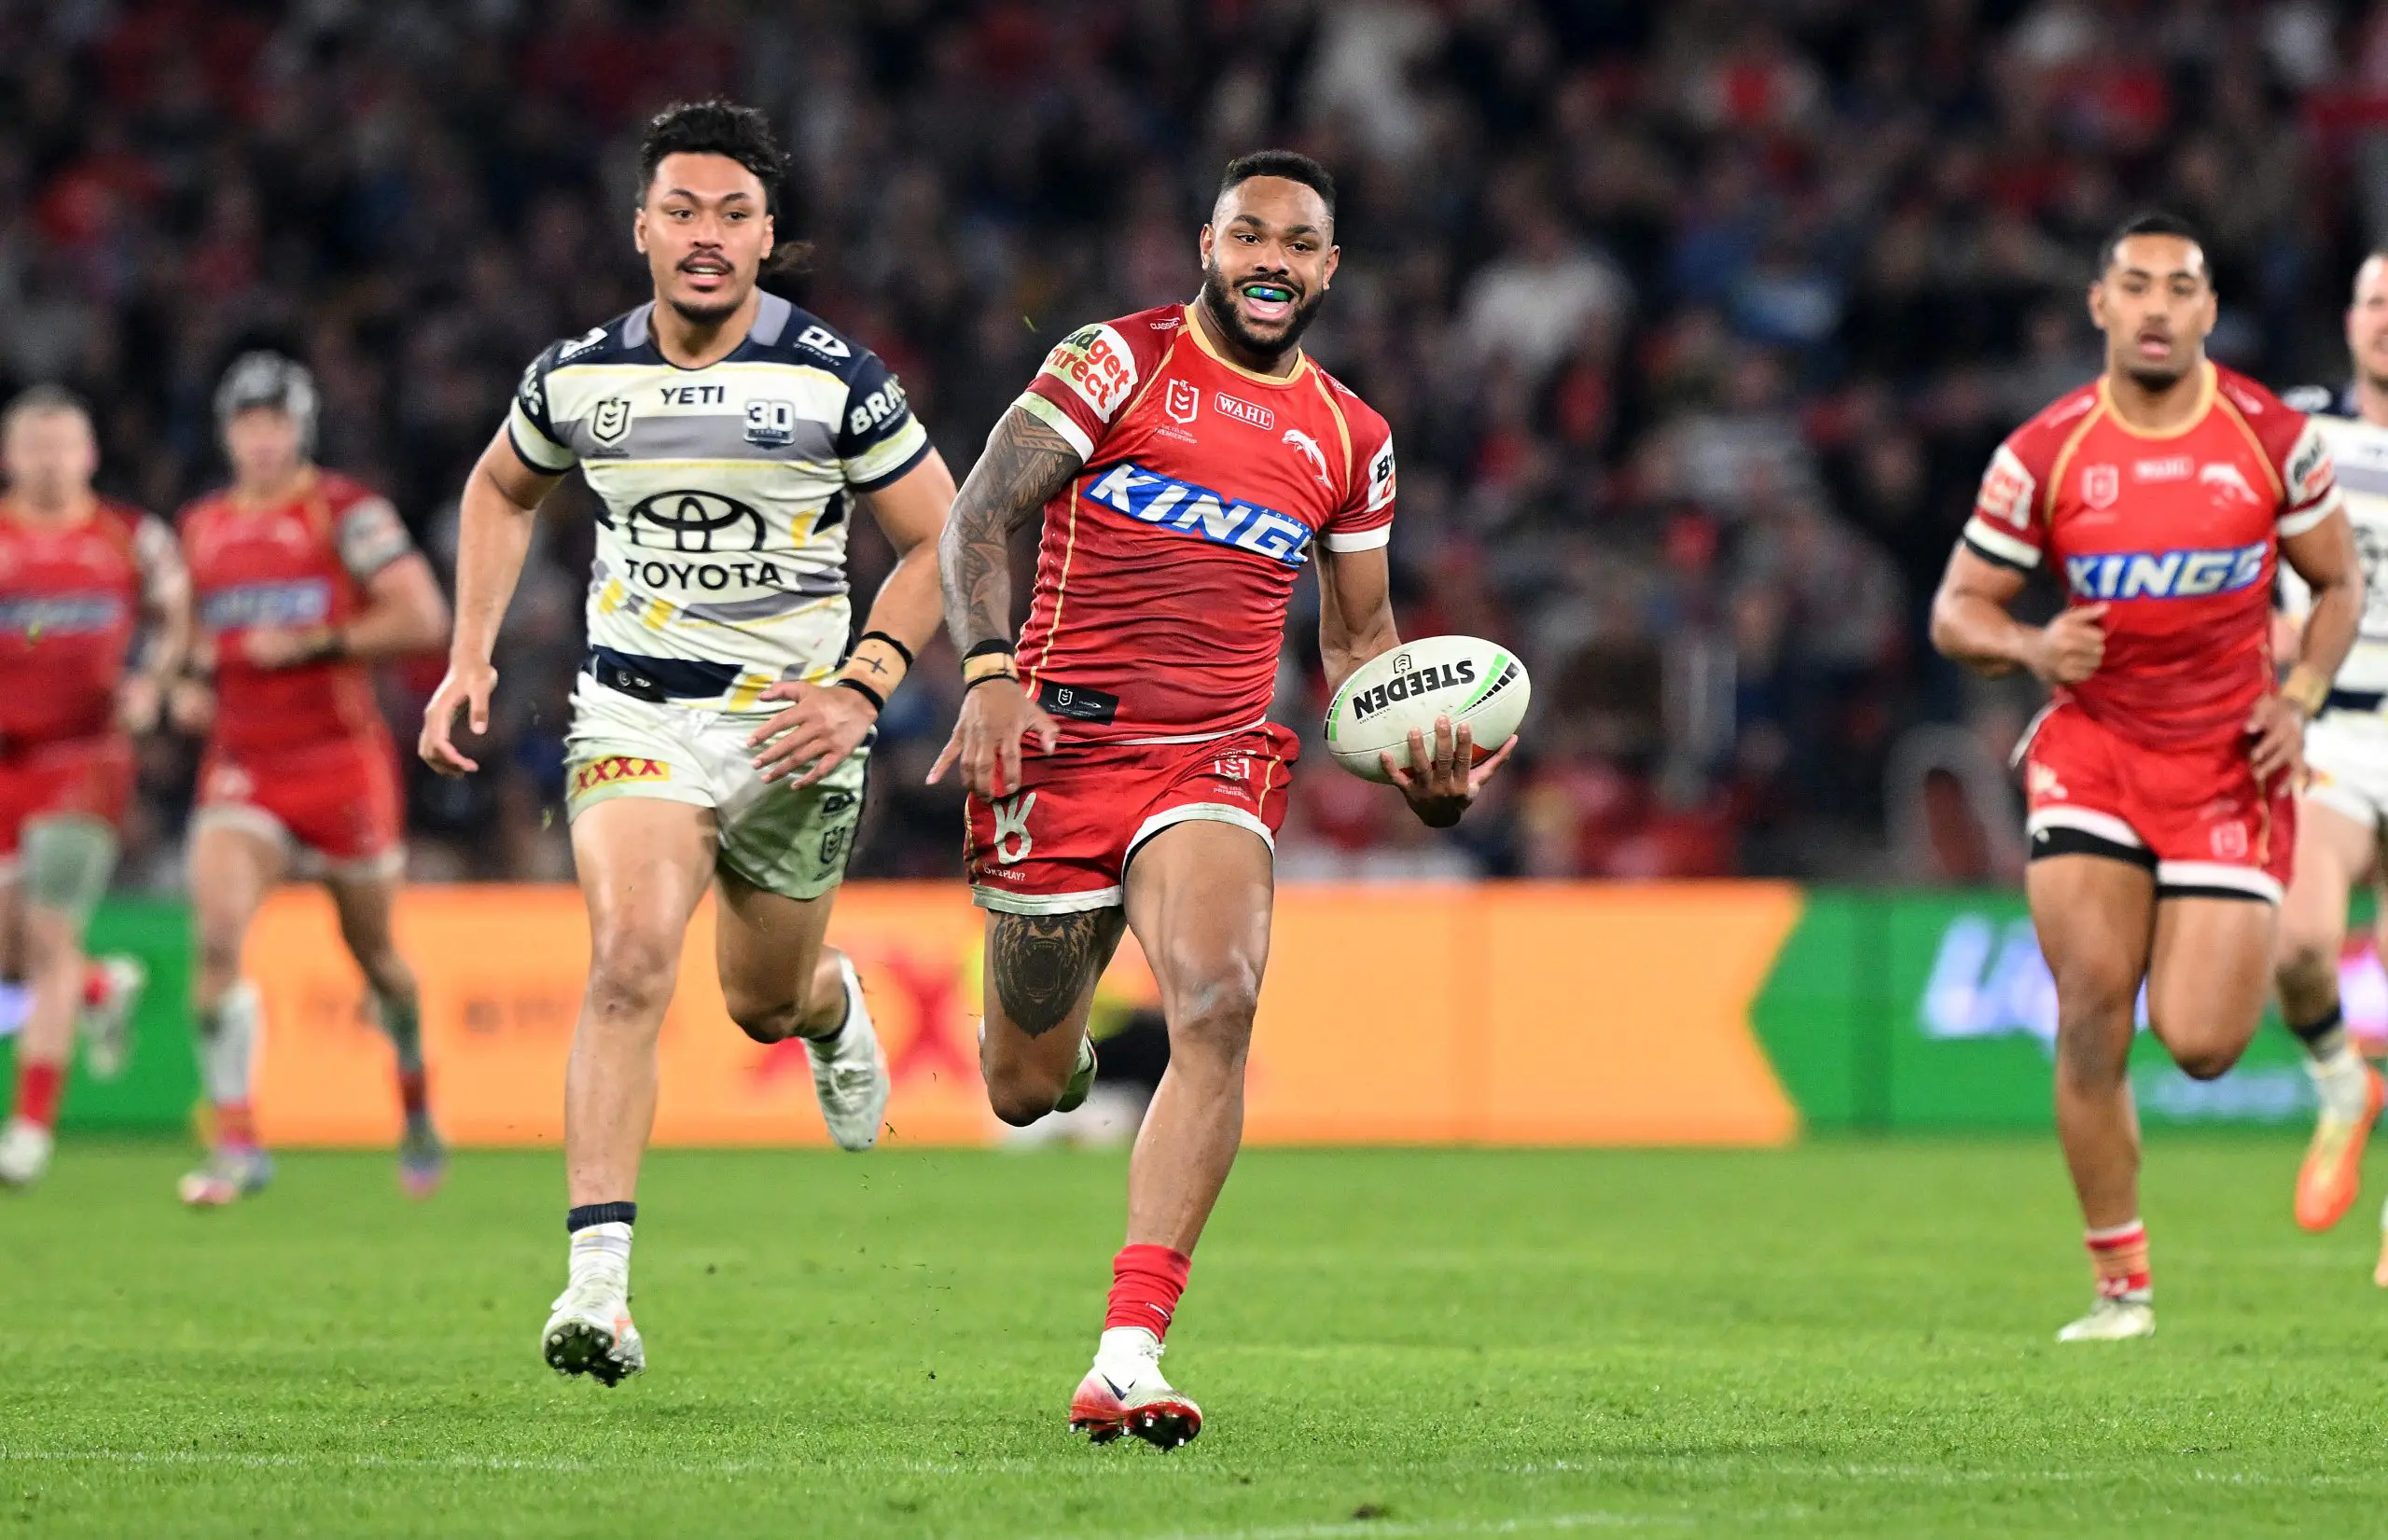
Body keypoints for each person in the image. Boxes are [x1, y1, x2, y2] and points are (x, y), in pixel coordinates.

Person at [931, 150, 1510, 1446]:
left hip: (1215, 754)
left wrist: (1423, 761)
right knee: (1024, 1081)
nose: (1272, 260)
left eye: (1298, 243)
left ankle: (1129, 1346)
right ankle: (1073, 1050)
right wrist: (983, 675)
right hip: (1061, 745)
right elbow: (979, 515)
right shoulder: (1113, 362)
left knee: (1222, 997)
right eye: (1249, 234)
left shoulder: (1352, 438)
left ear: (1329, 268)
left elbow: (1359, 645)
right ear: (1206, 242)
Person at [417, 100, 954, 1387]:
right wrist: (470, 649)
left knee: (760, 996)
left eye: (731, 213)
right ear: (640, 228)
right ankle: (596, 1287)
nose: (705, 236)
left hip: (793, 726)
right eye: (681, 211)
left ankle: (831, 1011)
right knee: (631, 955)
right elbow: (500, 485)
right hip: (634, 712)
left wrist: (863, 690)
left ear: (770, 234)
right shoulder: (576, 378)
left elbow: (947, 537)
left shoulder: (835, 378)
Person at [1929, 213, 2363, 1342]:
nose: (2158, 306)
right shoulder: (2046, 450)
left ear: (2209, 310)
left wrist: (2302, 694)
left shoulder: (2270, 436)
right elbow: (1954, 612)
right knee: (2089, 1014)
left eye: (2181, 287)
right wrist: (2030, 648)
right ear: (2100, 306)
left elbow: (2337, 586)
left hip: (2228, 762)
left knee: (2205, 1044)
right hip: (2096, 756)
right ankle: (2121, 1287)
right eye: (2137, 285)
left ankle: (2338, 1076)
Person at [174, 352, 452, 1206]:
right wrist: (184, 683)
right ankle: (239, 1142)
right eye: (248, 424)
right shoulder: (203, 526)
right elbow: (187, 639)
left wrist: (316, 643)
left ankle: (413, 1098)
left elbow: (423, 615)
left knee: (377, 961)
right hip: (244, 767)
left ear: (303, 429)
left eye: (277, 423)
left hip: (339, 765)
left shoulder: (344, 514)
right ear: (227, 434)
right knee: (218, 939)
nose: (262, 440)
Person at [0, 387, 185, 1187]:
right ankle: (102, 986)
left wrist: (153, 681)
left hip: (85, 756)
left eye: (61, 446)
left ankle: (30, 1132)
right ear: (10, 456)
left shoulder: (131, 537)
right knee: (16, 951)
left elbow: (179, 613)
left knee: (45, 935)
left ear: (89, 454)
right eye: (32, 447)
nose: (47, 461)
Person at [2275, 253, 2388, 1254]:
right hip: (2335, 727)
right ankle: (2344, 1084)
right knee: (2299, 947)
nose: (2387, 319)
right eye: (2375, 301)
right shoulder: (2297, 431)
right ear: (2348, 318)